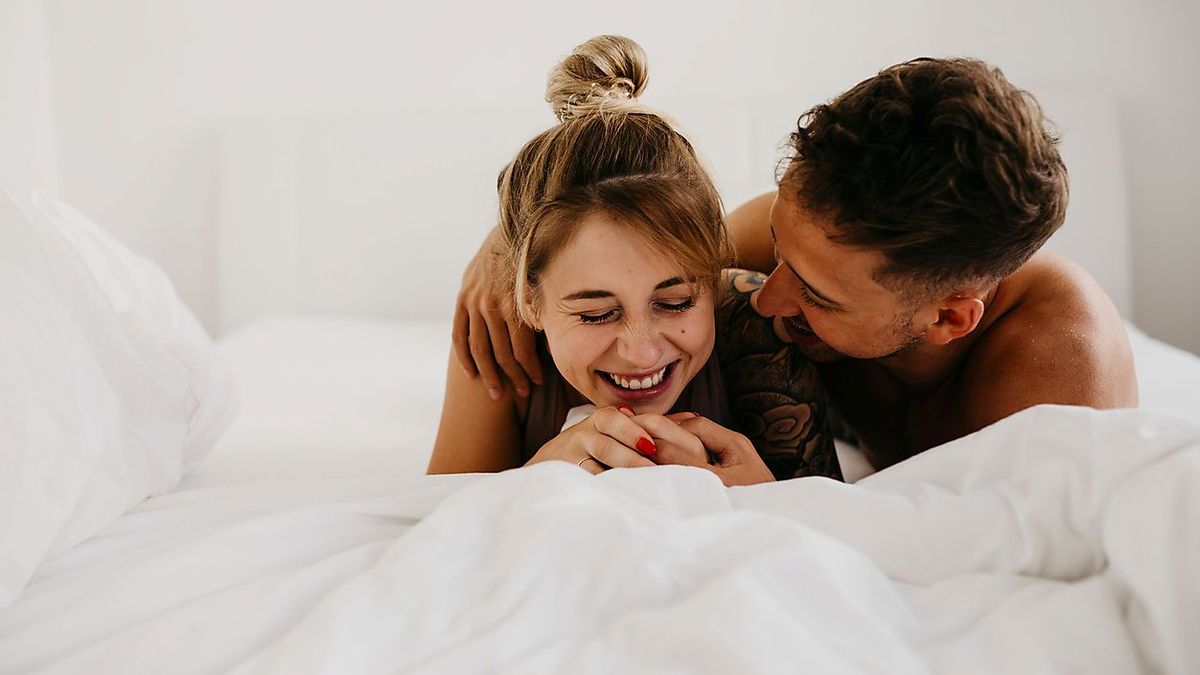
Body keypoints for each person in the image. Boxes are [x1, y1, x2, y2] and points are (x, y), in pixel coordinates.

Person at [454, 56, 1138, 471]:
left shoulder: (1059, 383)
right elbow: (627, 244)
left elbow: (995, 558)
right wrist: (508, 248)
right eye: (779, 248)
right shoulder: (804, 245)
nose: (766, 297)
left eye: (816, 295)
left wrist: (779, 507)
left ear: (949, 318)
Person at [427, 35, 841, 485]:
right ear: (529, 302)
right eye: (596, 314)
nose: (642, 353)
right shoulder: (501, 338)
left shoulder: (757, 329)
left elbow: (827, 526)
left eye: (677, 302)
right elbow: (440, 526)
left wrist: (758, 497)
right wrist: (537, 477)